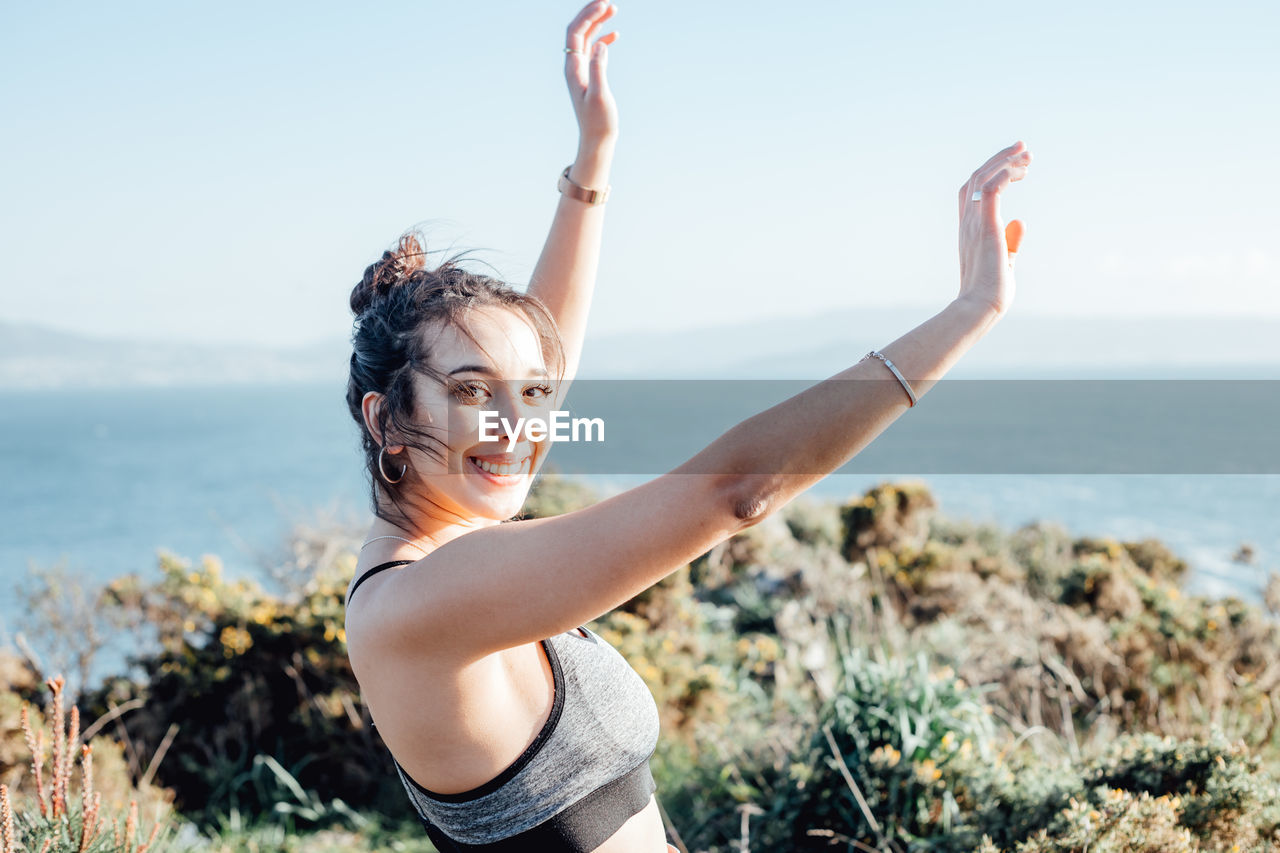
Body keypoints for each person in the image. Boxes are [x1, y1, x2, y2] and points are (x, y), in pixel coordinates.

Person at [341, 2, 1033, 850]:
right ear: (390, 419)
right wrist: (970, 313)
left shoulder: (453, 538)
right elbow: (739, 491)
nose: (518, 426)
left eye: (531, 396)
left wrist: (593, 162)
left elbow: (541, 350)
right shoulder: (421, 602)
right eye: (474, 391)